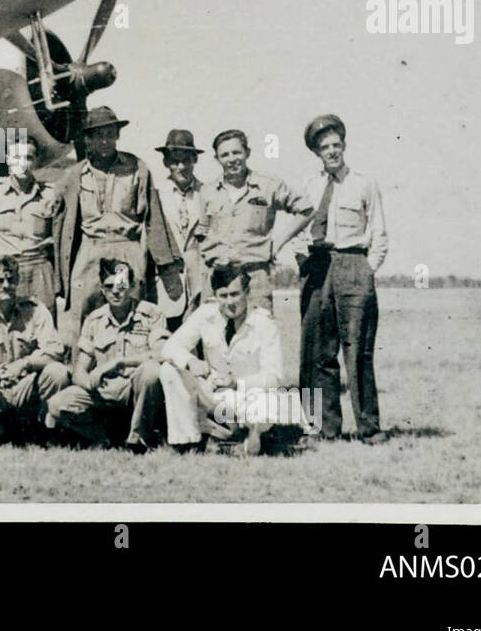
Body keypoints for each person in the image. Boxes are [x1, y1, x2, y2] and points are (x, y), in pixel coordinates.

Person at [293, 114, 390, 444]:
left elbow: (378, 231)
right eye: (324, 147)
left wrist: (366, 270)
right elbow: (297, 229)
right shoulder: (308, 186)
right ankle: (324, 428)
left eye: (336, 145)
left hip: (353, 264)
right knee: (319, 352)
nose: (331, 151)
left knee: (358, 351)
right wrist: (302, 259)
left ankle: (369, 428)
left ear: (344, 146)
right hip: (318, 267)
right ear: (316, 153)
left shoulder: (364, 183)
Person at [55, 107, 182, 348]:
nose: (105, 141)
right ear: (88, 139)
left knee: (130, 312)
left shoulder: (137, 167)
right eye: (98, 135)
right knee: (83, 314)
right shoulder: (75, 174)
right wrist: (60, 275)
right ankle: (82, 375)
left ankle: (132, 373)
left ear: (117, 136)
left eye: (110, 134)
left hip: (127, 249)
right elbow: (61, 221)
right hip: (90, 250)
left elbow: (153, 217)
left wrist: (166, 265)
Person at [160, 265, 300, 455]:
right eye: (223, 296)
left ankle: (247, 436)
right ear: (216, 296)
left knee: (268, 408)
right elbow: (170, 347)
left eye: (235, 294)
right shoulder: (206, 314)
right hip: (215, 395)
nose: (229, 302)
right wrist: (191, 361)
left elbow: (274, 377)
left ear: (247, 293)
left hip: (249, 395)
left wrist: (237, 383)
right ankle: (187, 443)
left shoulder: (264, 323)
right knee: (169, 369)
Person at [46, 258, 167, 452]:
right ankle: (107, 437)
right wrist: (89, 383)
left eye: (121, 285)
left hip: (134, 390)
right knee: (57, 404)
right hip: (104, 391)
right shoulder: (94, 320)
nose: (115, 292)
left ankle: (137, 439)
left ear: (133, 286)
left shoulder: (151, 314)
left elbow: (161, 354)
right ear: (102, 289)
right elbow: (79, 371)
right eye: (109, 286)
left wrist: (119, 362)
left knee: (151, 372)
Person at [195, 129, 311, 314]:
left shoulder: (268, 186)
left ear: (247, 153)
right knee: (214, 339)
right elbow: (202, 235)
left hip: (255, 278)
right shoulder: (207, 192)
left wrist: (278, 242)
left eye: (236, 152)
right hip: (218, 280)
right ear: (217, 159)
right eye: (225, 154)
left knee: (259, 334)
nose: (232, 159)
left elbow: (307, 209)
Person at [0, 256, 70, 445]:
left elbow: (55, 350)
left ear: (18, 281)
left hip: (26, 385)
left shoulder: (35, 310)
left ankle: (43, 430)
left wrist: (25, 363)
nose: (6, 286)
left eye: (11, 280)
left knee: (58, 372)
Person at [0, 134, 62, 315]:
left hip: (38, 269)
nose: (22, 164)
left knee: (44, 321)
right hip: (4, 270)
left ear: (37, 161)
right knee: (5, 320)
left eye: (28, 158)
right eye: (17, 157)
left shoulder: (50, 194)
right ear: (8, 159)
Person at [153, 128, 208, 328]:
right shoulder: (155, 194)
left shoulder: (208, 192)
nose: (181, 166)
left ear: (195, 160)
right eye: (175, 161)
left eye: (187, 160)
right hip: (168, 283)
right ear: (166, 162)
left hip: (200, 282)